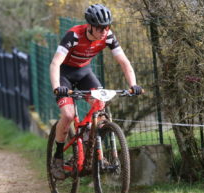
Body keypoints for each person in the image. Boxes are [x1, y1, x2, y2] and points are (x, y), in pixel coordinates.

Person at [49, 3, 142, 179]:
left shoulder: (108, 36)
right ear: (90, 26)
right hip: (64, 75)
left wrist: (133, 85)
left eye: (106, 27)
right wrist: (57, 87)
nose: (103, 31)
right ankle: (58, 156)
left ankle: (89, 140)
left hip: (84, 73)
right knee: (68, 115)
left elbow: (124, 62)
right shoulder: (74, 35)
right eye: (99, 28)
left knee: (101, 104)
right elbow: (55, 63)